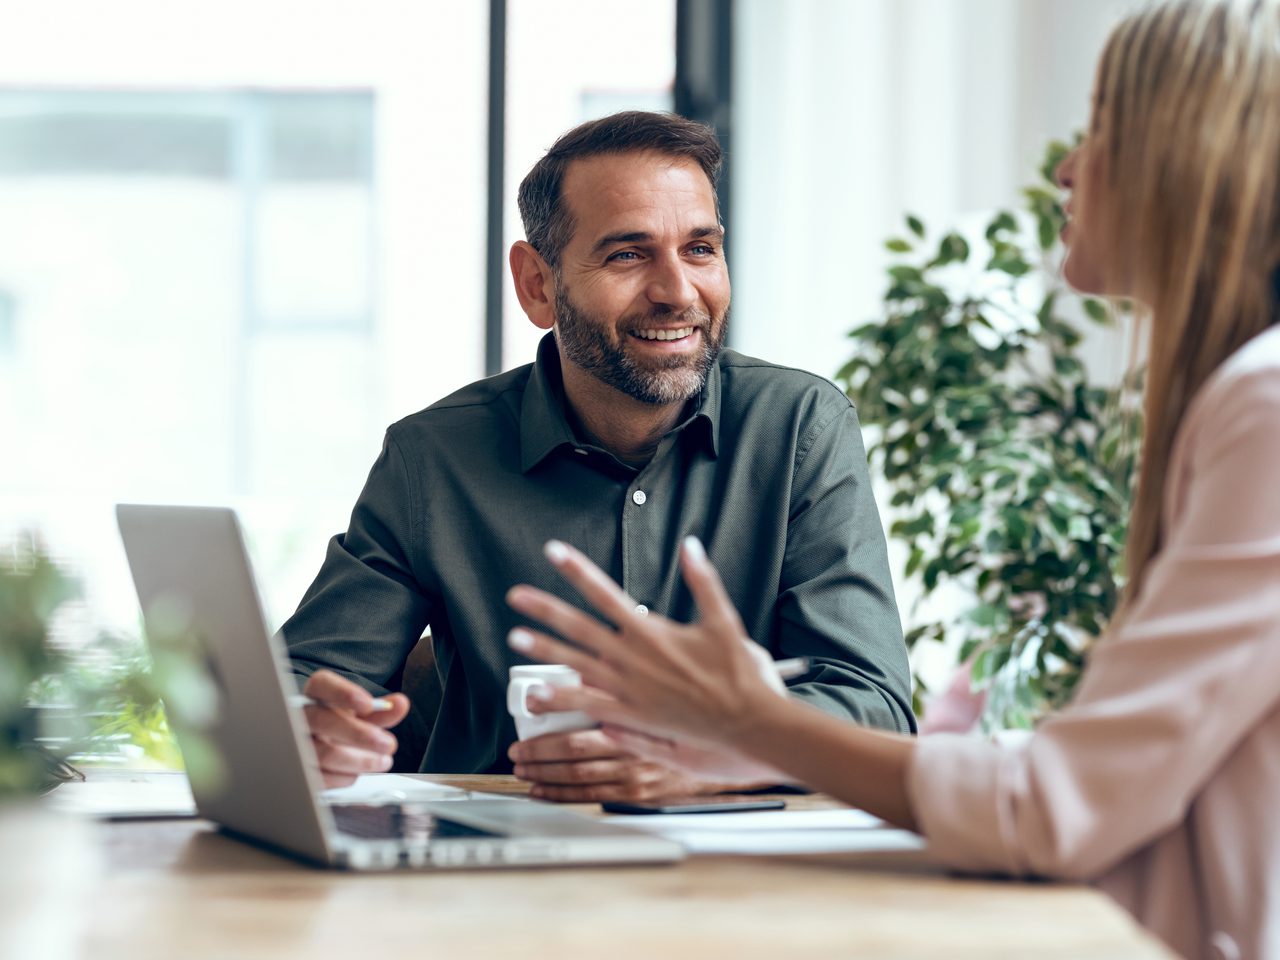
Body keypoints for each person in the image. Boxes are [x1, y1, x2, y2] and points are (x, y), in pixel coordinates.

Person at [503, 1, 1280, 955]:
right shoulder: (1241, 398)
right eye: (629, 253)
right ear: (538, 283)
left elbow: (1054, 804)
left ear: (1195, 159)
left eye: (1104, 129)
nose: (1069, 168)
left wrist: (753, 727)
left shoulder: (1267, 406)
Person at [281, 110, 915, 801]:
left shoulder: (800, 429)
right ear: (537, 284)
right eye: (628, 255)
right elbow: (301, 680)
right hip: (494, 861)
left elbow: (875, 706)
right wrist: (313, 731)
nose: (678, 292)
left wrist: (715, 755)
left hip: (733, 870)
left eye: (700, 250)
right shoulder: (432, 457)